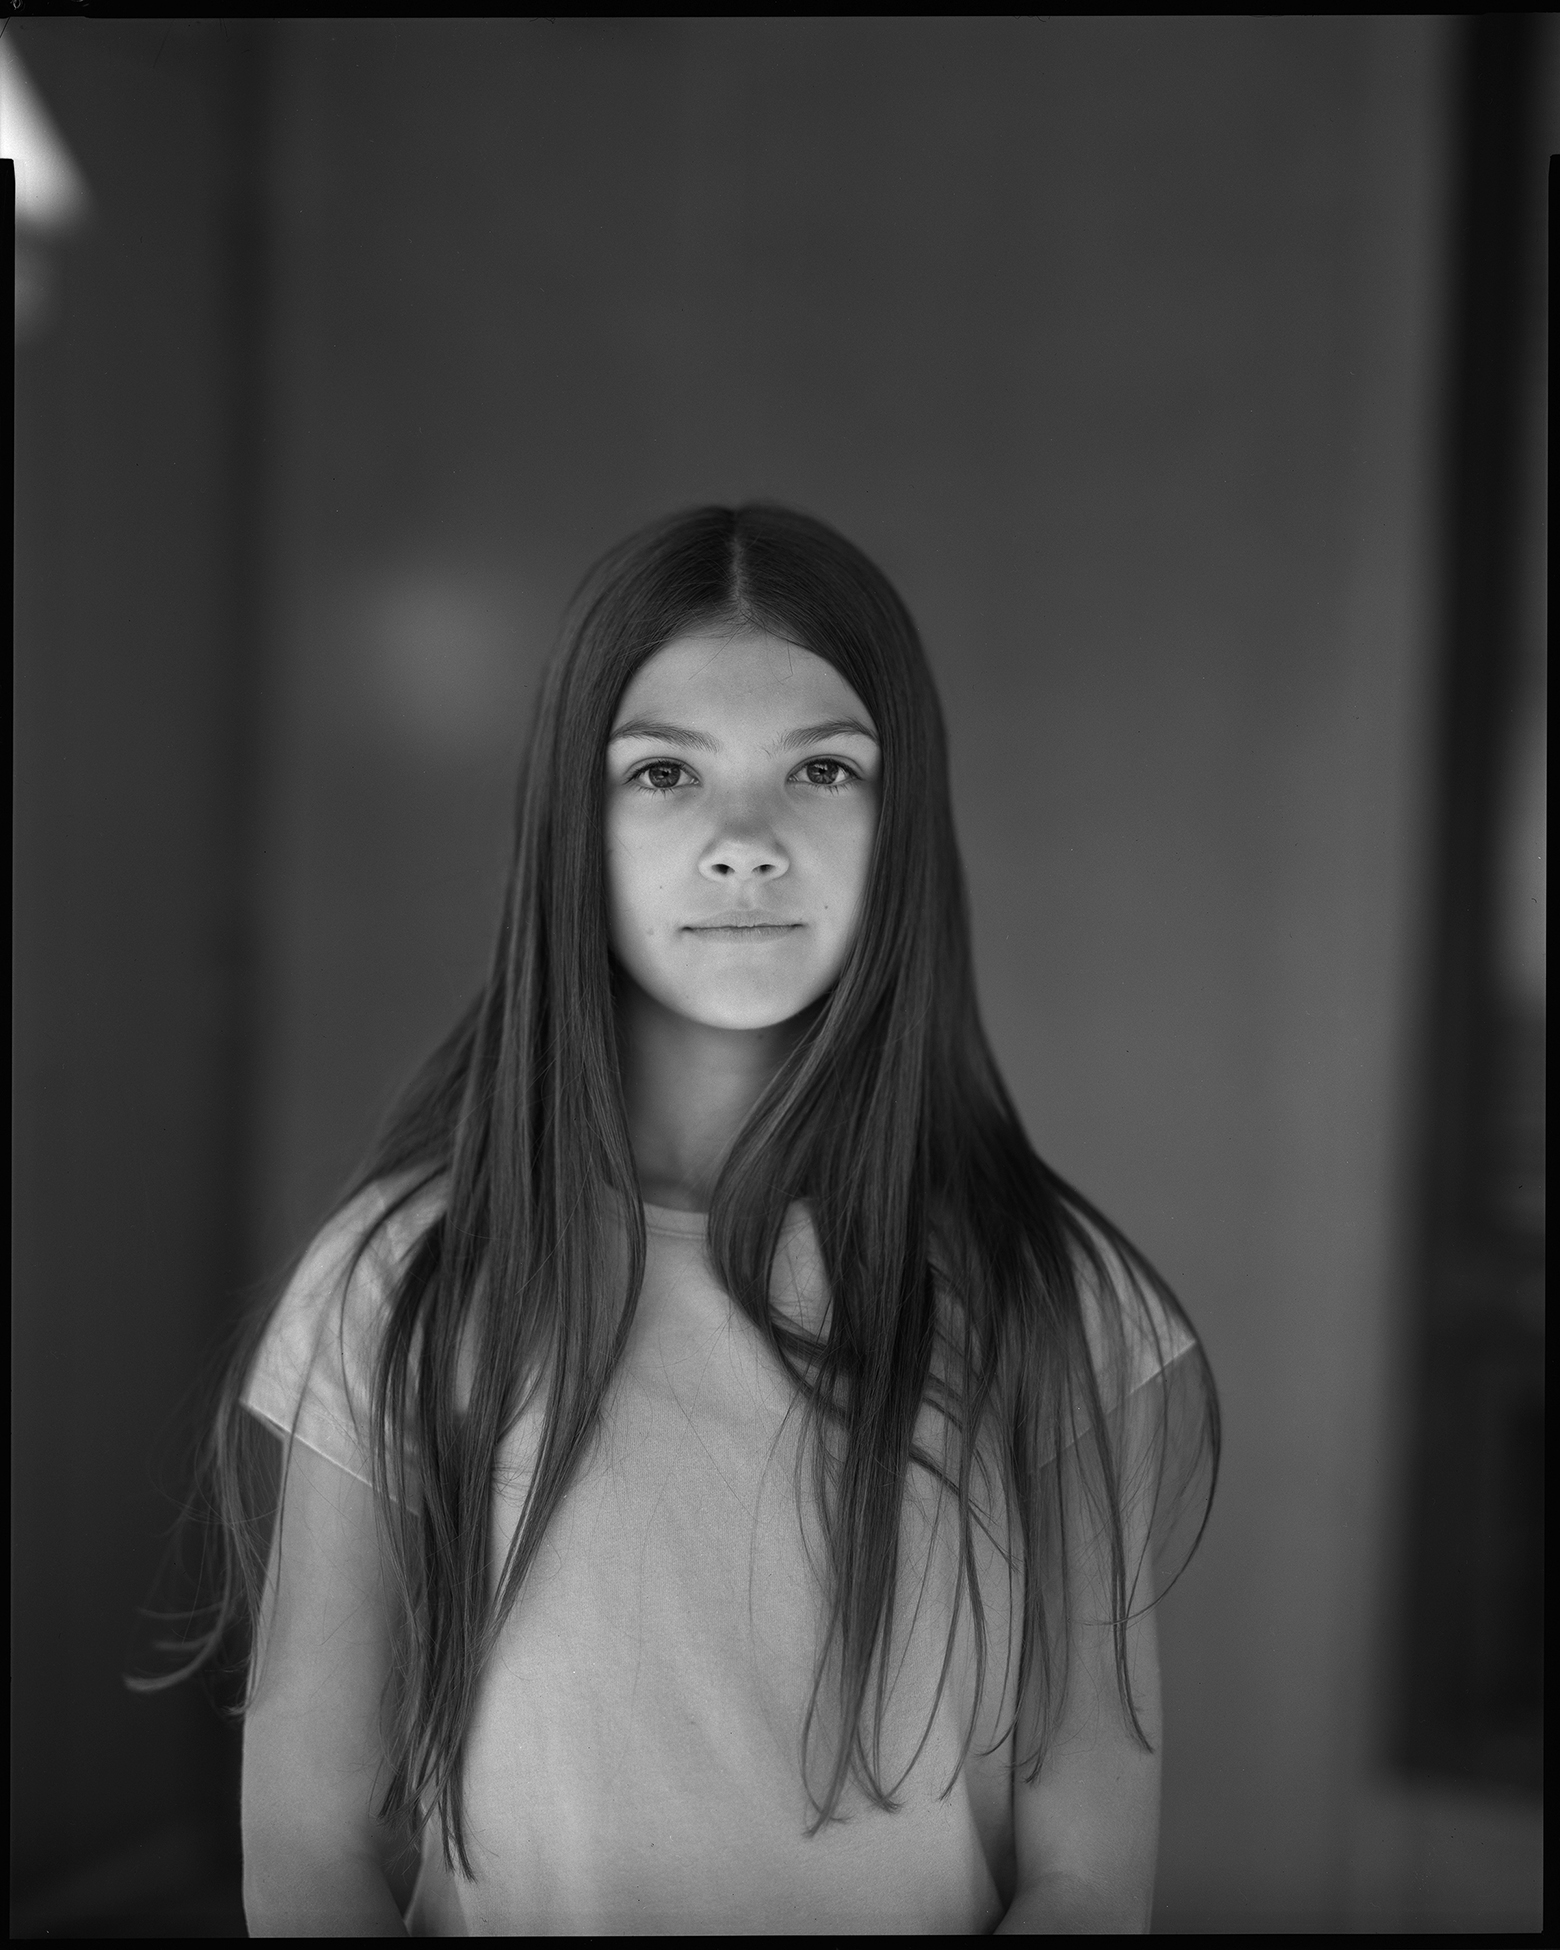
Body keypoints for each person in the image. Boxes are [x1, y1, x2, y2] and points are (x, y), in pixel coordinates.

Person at [183, 504, 1217, 1933]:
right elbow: (307, 1837)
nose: (747, 842)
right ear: (573, 822)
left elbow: (1090, 1869)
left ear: (900, 819)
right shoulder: (400, 1279)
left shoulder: (1055, 1297)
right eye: (665, 771)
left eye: (824, 770)